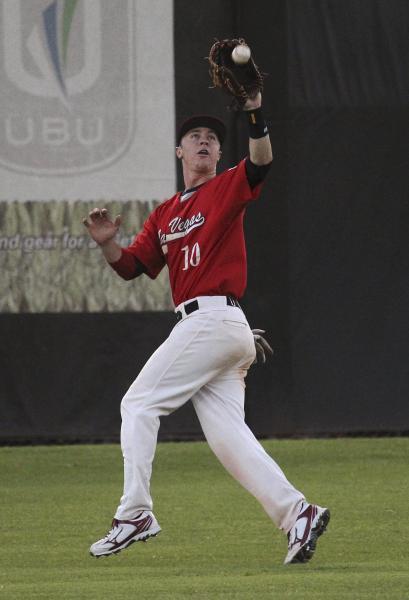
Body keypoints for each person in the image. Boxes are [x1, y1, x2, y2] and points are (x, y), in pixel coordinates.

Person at [83, 91, 330, 565]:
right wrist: (108, 245)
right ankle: (297, 512)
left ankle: (134, 513)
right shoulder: (165, 213)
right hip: (219, 328)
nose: (203, 141)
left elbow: (261, 162)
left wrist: (255, 110)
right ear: (180, 151)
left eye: (212, 138)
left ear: (218, 154)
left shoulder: (227, 187)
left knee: (137, 403)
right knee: (228, 439)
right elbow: (134, 267)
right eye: (194, 136)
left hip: (214, 319)